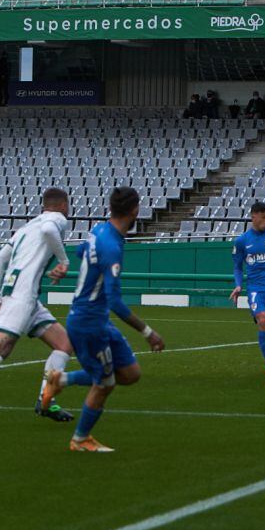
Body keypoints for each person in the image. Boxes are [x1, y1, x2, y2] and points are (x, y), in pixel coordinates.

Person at [40, 187, 166, 453]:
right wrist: (148, 332)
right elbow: (115, 302)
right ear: (134, 211)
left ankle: (60, 380)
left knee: (130, 374)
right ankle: (80, 439)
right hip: (88, 323)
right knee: (105, 382)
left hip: (97, 319)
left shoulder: (99, 230)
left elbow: (80, 253)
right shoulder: (111, 246)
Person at [0, 187, 77, 431]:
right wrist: (64, 261)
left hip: (21, 295)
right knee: (1, 347)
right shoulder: (57, 220)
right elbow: (50, 230)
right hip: (22, 295)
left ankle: (46, 399)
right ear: (62, 205)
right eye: (67, 206)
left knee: (64, 344)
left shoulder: (27, 227)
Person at [229, 201, 265, 377]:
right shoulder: (241, 242)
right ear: (253, 216)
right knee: (263, 319)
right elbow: (238, 267)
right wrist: (238, 285)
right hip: (256, 289)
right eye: (264, 217)